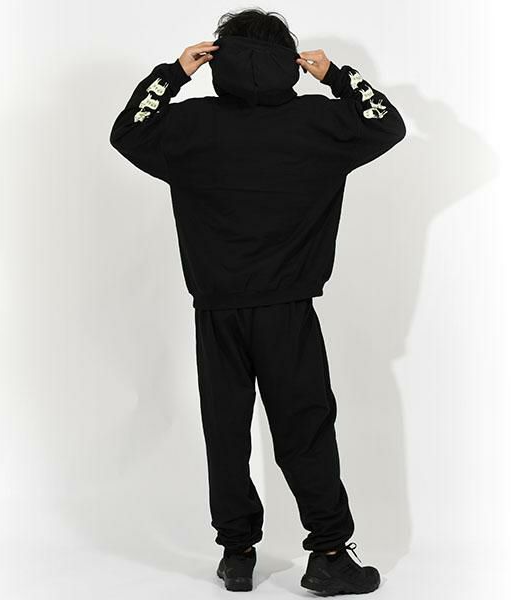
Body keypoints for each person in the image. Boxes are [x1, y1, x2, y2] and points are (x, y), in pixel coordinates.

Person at [110, 7, 406, 595]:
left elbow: (128, 131)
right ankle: (329, 553)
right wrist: (337, 76)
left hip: (216, 310)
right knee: (305, 429)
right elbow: (387, 123)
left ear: (218, 59)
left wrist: (174, 73)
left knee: (226, 431)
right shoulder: (322, 123)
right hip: (287, 311)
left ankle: (237, 552)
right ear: (287, 60)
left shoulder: (189, 126)